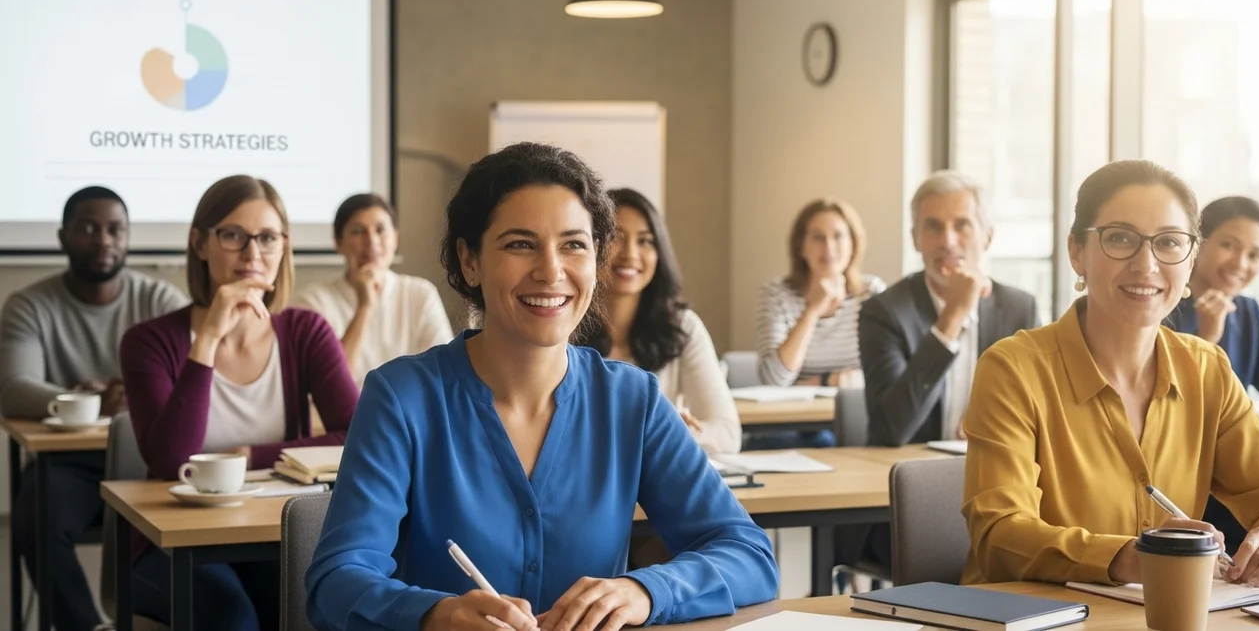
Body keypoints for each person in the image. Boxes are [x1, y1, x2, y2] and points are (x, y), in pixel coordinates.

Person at [306, 142, 777, 631]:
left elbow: (748, 555)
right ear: (469, 261)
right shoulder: (402, 398)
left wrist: (644, 590)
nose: (551, 271)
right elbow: (336, 582)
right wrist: (435, 614)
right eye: (520, 244)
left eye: (574, 244)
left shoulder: (631, 400)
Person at [963, 159, 1259, 587]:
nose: (1146, 264)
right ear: (1077, 251)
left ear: (1190, 261)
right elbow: (999, 534)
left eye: (1169, 243)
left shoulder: (1207, 370)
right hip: (1033, 618)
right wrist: (1130, 558)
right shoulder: (1014, 369)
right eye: (1119, 238)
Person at [120, 175, 359, 630]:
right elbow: (171, 461)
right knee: (233, 619)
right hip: (174, 546)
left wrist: (252, 456)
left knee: (318, 609)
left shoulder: (306, 332)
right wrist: (207, 337)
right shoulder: (149, 342)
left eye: (267, 238)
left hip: (274, 533)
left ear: (283, 246)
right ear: (200, 243)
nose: (253, 254)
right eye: (233, 236)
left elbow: (354, 434)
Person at [0, 186, 187, 631]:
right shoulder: (29, 304)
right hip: (71, 464)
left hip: (151, 462)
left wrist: (141, 391)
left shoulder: (159, 299)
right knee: (35, 519)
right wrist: (90, 400)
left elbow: (197, 376)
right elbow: (12, 387)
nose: (103, 240)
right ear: (63, 237)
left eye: (114, 229)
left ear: (127, 237)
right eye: (88, 228)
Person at [859, 171, 1038, 448]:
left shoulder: (1019, 309)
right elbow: (890, 430)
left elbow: (1040, 411)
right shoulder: (884, 312)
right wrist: (952, 317)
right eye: (933, 226)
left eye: (962, 225)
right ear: (915, 239)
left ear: (988, 237)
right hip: (912, 475)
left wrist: (991, 421)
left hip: (999, 470)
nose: (948, 241)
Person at [582, 188, 741, 455]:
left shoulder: (683, 326)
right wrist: (658, 430)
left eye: (645, 241)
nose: (630, 254)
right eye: (616, 238)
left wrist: (677, 432)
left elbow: (727, 435)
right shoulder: (562, 322)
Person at [1166, 196, 1259, 554]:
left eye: (1254, 255)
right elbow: (1173, 404)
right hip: (1187, 479)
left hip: (1239, 469)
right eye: (1229, 245)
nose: (1240, 263)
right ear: (1198, 244)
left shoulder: (1248, 312)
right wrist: (1207, 340)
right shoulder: (1161, 306)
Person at [753, 198, 883, 450]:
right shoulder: (776, 294)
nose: (829, 247)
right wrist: (812, 310)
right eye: (817, 237)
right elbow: (774, 379)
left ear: (853, 244)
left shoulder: (872, 292)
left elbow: (884, 374)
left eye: (838, 236)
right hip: (791, 424)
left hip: (859, 419)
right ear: (801, 247)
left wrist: (820, 381)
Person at [295, 193, 452, 385]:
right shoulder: (314, 302)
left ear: (395, 238)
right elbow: (328, 386)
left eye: (380, 230)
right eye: (358, 231)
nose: (371, 241)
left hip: (406, 412)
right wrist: (365, 307)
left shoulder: (420, 294)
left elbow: (443, 372)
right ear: (338, 242)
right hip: (346, 414)